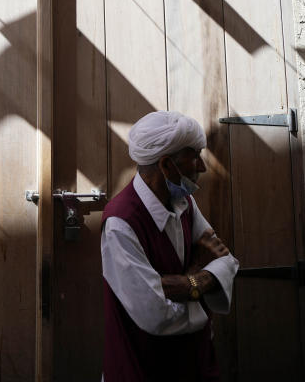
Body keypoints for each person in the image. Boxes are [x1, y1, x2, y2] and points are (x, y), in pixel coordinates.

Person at [101, 110, 239, 382]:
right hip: (141, 368)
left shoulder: (185, 203)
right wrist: (205, 282)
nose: (202, 166)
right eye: (194, 157)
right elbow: (156, 315)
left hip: (193, 365)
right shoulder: (121, 223)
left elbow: (227, 261)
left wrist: (187, 285)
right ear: (166, 165)